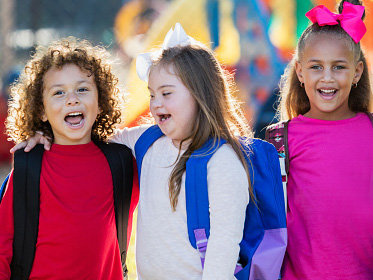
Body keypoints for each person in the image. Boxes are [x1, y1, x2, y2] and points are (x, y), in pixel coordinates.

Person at [17, 24, 253, 279]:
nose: (155, 103)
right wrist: (47, 133)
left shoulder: (223, 161)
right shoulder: (146, 142)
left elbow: (224, 245)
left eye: (166, 93)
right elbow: (83, 136)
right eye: (152, 94)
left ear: (201, 94)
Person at [0, 37, 138, 279]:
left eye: (82, 89)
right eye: (58, 92)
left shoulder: (123, 162)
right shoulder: (29, 166)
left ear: (101, 102)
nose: (72, 99)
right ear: (41, 110)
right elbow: (2, 246)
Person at [273, 0, 373, 278]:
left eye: (338, 67)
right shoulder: (280, 141)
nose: (327, 78)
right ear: (300, 72)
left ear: (357, 73)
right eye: (316, 67)